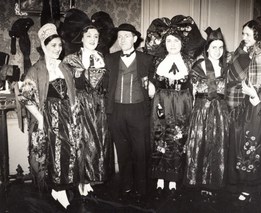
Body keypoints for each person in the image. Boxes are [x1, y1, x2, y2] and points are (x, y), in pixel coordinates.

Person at [19, 23, 80, 209]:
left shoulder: (65, 68)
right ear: (44, 46)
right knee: (52, 154)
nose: (58, 49)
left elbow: (72, 93)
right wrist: (40, 118)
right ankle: (57, 190)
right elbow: (25, 98)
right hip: (47, 115)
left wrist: (74, 113)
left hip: (66, 115)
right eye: (53, 45)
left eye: (60, 45)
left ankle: (61, 187)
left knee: (67, 152)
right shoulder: (36, 69)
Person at [144, 15, 205, 201]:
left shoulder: (189, 60)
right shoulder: (156, 61)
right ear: (164, 43)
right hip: (162, 101)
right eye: (168, 41)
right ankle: (160, 177)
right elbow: (150, 80)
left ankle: (173, 180)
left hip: (182, 102)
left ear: (182, 42)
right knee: (160, 135)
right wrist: (151, 85)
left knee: (178, 137)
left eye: (176, 40)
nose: (172, 44)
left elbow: (194, 84)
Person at [226, 18, 261, 204]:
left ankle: (250, 187)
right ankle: (239, 183)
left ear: (257, 35)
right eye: (243, 34)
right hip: (238, 107)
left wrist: (256, 94)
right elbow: (232, 74)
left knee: (253, 145)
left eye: (247, 34)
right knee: (238, 143)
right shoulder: (240, 52)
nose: (244, 38)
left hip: (257, 107)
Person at [105, 23, 153, 201]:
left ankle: (142, 187)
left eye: (127, 36)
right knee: (122, 150)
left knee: (140, 150)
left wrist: (153, 86)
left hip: (139, 109)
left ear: (135, 38)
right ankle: (126, 184)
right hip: (116, 110)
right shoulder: (109, 59)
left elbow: (153, 81)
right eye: (120, 36)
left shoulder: (147, 59)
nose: (123, 39)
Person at [63, 22, 112, 196]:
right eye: (89, 36)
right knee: (81, 142)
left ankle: (91, 178)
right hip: (81, 104)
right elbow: (66, 86)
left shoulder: (104, 58)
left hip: (99, 105)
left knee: (98, 142)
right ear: (82, 38)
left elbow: (108, 85)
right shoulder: (71, 59)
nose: (92, 39)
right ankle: (80, 181)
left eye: (96, 36)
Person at [184, 27, 229, 201]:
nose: (218, 51)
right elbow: (191, 92)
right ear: (207, 48)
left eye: (220, 47)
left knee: (217, 145)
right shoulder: (198, 66)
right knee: (201, 143)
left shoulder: (226, 67)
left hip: (220, 111)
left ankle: (213, 183)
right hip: (202, 110)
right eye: (214, 47)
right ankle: (198, 182)